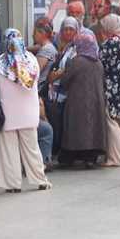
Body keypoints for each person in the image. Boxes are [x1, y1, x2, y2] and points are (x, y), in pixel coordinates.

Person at [0, 29, 52, 193]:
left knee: (8, 150)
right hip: (28, 113)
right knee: (32, 148)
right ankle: (40, 180)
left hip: (6, 113)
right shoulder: (31, 60)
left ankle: (13, 184)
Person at [58, 32, 107, 167]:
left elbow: (64, 81)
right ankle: (90, 158)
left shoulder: (76, 62)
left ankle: (70, 157)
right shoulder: (98, 63)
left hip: (77, 102)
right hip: (96, 102)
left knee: (76, 129)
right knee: (93, 129)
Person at [97, 14, 120, 167]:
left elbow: (101, 63)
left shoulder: (109, 44)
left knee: (111, 121)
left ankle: (115, 158)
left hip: (111, 86)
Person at [46, 17, 79, 157]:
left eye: (71, 29)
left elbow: (69, 68)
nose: (68, 32)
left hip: (68, 92)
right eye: (65, 29)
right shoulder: (63, 46)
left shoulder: (77, 48)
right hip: (56, 93)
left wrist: (56, 75)